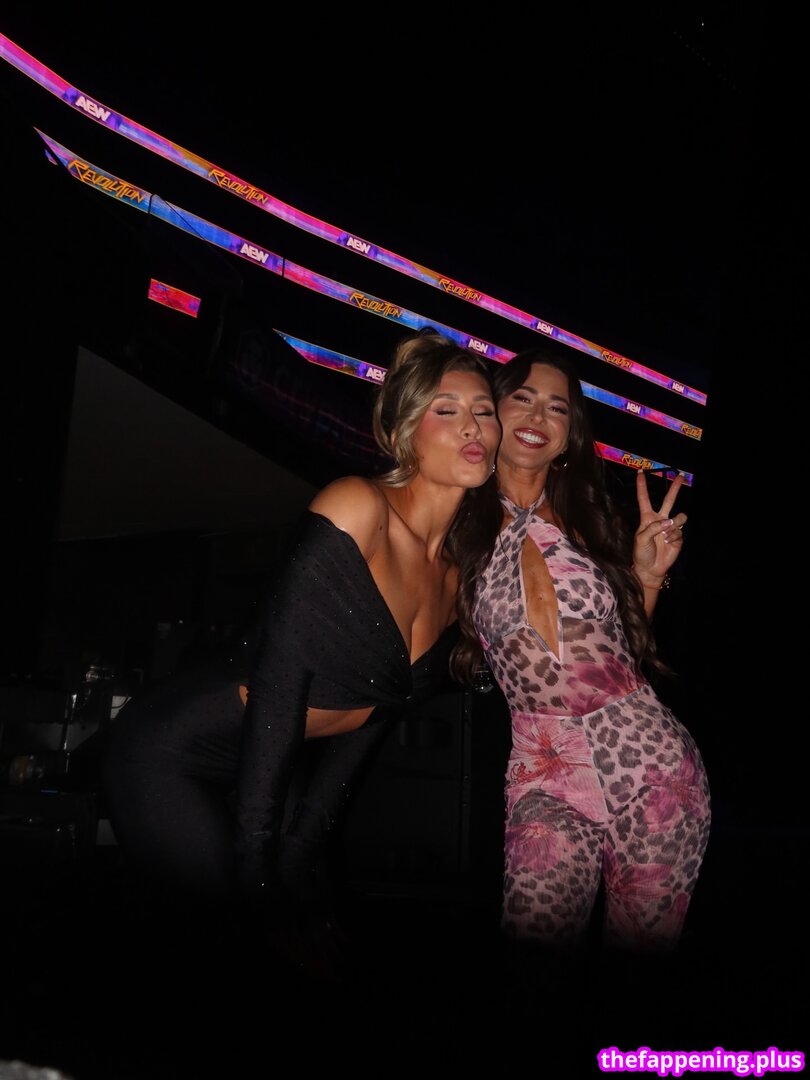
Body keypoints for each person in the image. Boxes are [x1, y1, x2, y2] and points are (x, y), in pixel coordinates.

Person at [100, 329, 502, 972]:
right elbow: (280, 686)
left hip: (273, 764)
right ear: (404, 431)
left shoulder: (456, 578)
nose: (472, 425)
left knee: (316, 933)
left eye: (483, 410)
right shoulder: (357, 507)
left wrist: (298, 853)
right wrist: (261, 877)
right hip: (170, 752)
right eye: (446, 409)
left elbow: (371, 721)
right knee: (244, 936)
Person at [460, 343, 711, 957]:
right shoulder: (458, 524)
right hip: (546, 772)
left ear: (569, 434)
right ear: (492, 412)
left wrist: (647, 575)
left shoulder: (589, 522)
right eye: (522, 398)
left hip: (651, 760)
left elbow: (625, 652)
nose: (537, 416)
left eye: (557, 407)